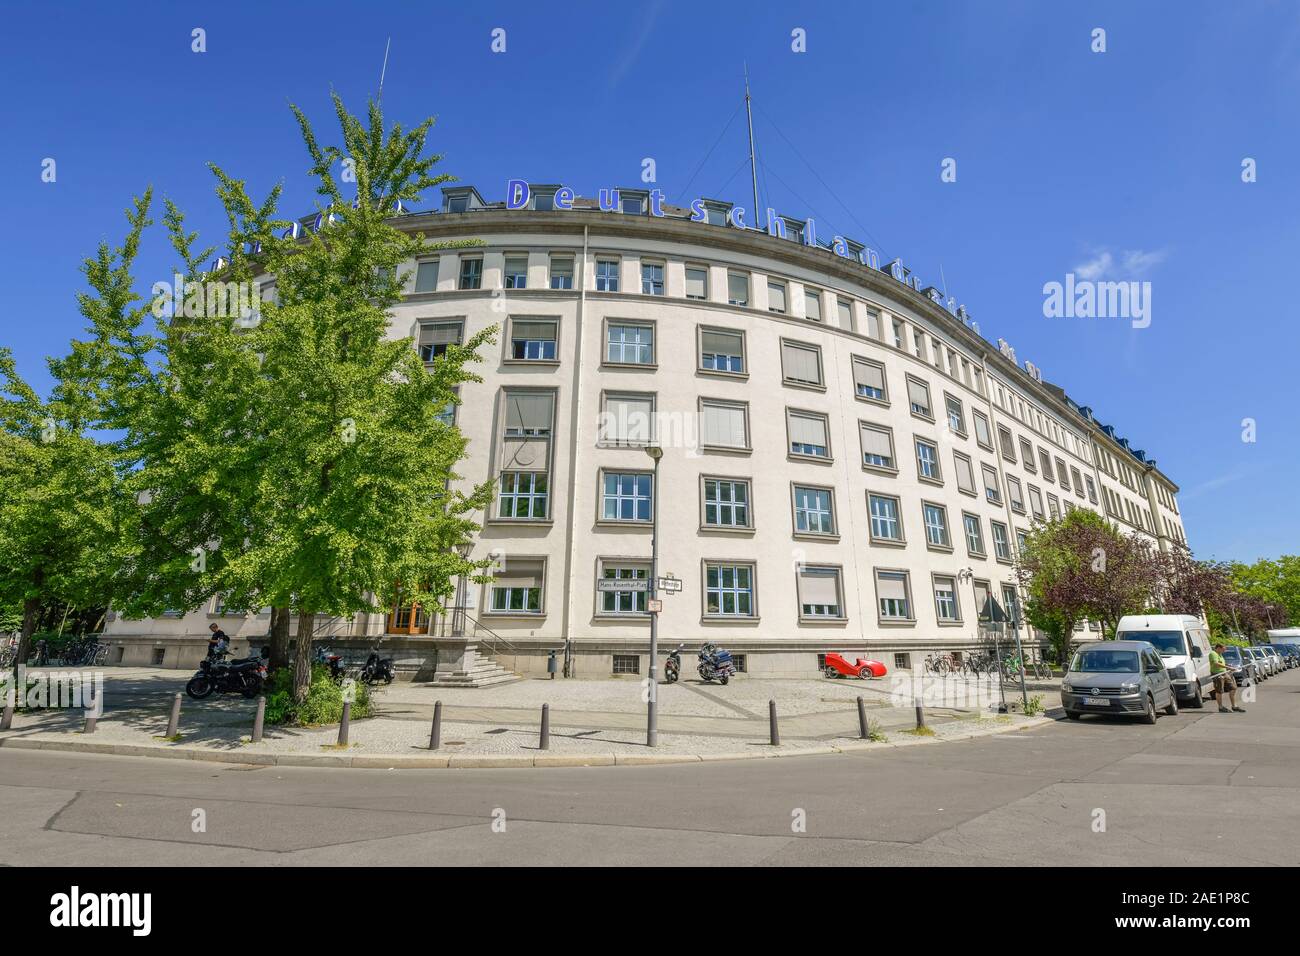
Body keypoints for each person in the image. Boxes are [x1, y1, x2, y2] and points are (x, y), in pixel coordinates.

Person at [1210, 643, 1245, 714]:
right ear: (1218, 648)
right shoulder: (1213, 654)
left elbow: (1222, 663)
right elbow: (1216, 663)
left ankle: (1234, 706)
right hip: (1217, 674)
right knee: (1219, 691)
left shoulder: (1220, 654)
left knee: (1233, 688)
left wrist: (1229, 666)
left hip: (1224, 673)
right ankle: (1221, 707)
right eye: (1223, 650)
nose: (1224, 651)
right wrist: (1228, 668)